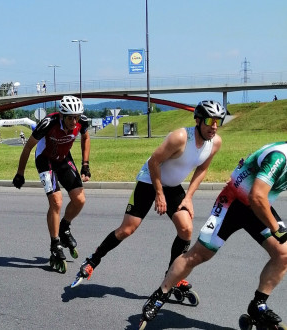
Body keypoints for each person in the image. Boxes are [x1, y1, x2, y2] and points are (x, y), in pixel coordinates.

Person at [72, 100, 226, 288]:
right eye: (210, 121)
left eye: (219, 121)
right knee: (127, 229)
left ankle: (173, 275)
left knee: (186, 229)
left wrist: (188, 197)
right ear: (198, 120)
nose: (215, 126)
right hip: (149, 180)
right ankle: (93, 260)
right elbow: (154, 162)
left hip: (172, 185)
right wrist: (159, 193)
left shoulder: (215, 143)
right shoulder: (180, 137)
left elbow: (202, 169)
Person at [142, 142, 287, 328]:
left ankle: (258, 305)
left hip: (257, 208)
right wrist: (276, 228)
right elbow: (256, 196)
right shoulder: (279, 157)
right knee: (198, 255)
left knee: (283, 254)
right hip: (233, 205)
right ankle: (160, 295)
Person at [12, 95, 91, 274]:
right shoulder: (48, 123)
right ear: (62, 115)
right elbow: (28, 147)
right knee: (56, 201)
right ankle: (55, 242)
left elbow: (86, 138)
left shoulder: (82, 121)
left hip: (63, 159)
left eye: (76, 117)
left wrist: (85, 164)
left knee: (80, 200)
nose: (73, 121)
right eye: (70, 117)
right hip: (45, 159)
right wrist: (20, 173)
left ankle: (64, 226)